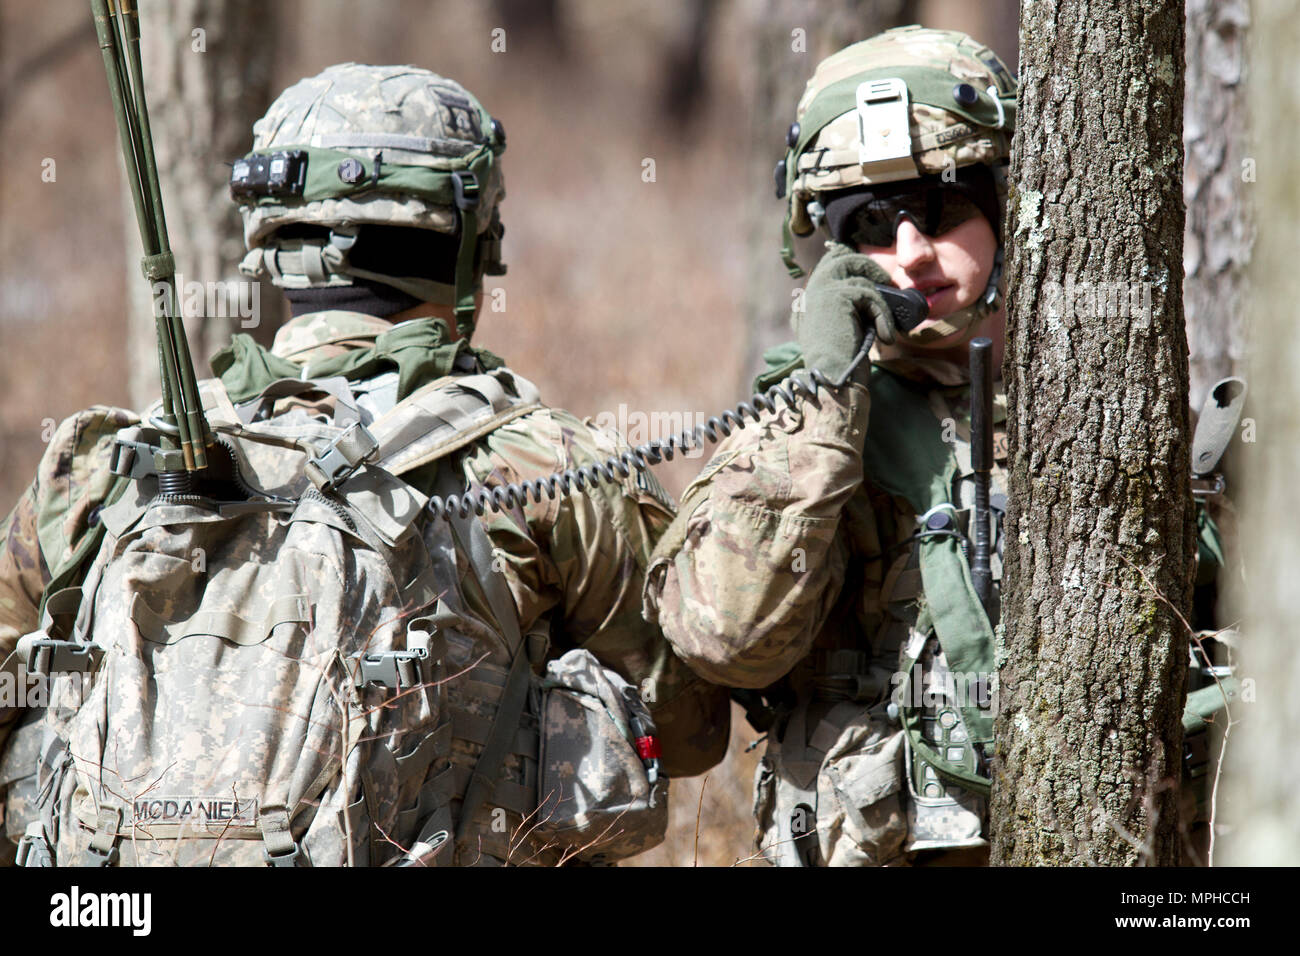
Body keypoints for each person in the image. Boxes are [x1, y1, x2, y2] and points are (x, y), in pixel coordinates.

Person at [0, 63, 727, 867]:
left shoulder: (108, 462)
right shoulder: (546, 464)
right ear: (470, 243)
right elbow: (688, 727)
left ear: (268, 241)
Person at [644, 26, 1019, 866]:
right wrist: (829, 391)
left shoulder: (1092, 396)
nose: (912, 253)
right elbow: (728, 637)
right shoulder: (803, 418)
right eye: (872, 226)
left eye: (942, 209)